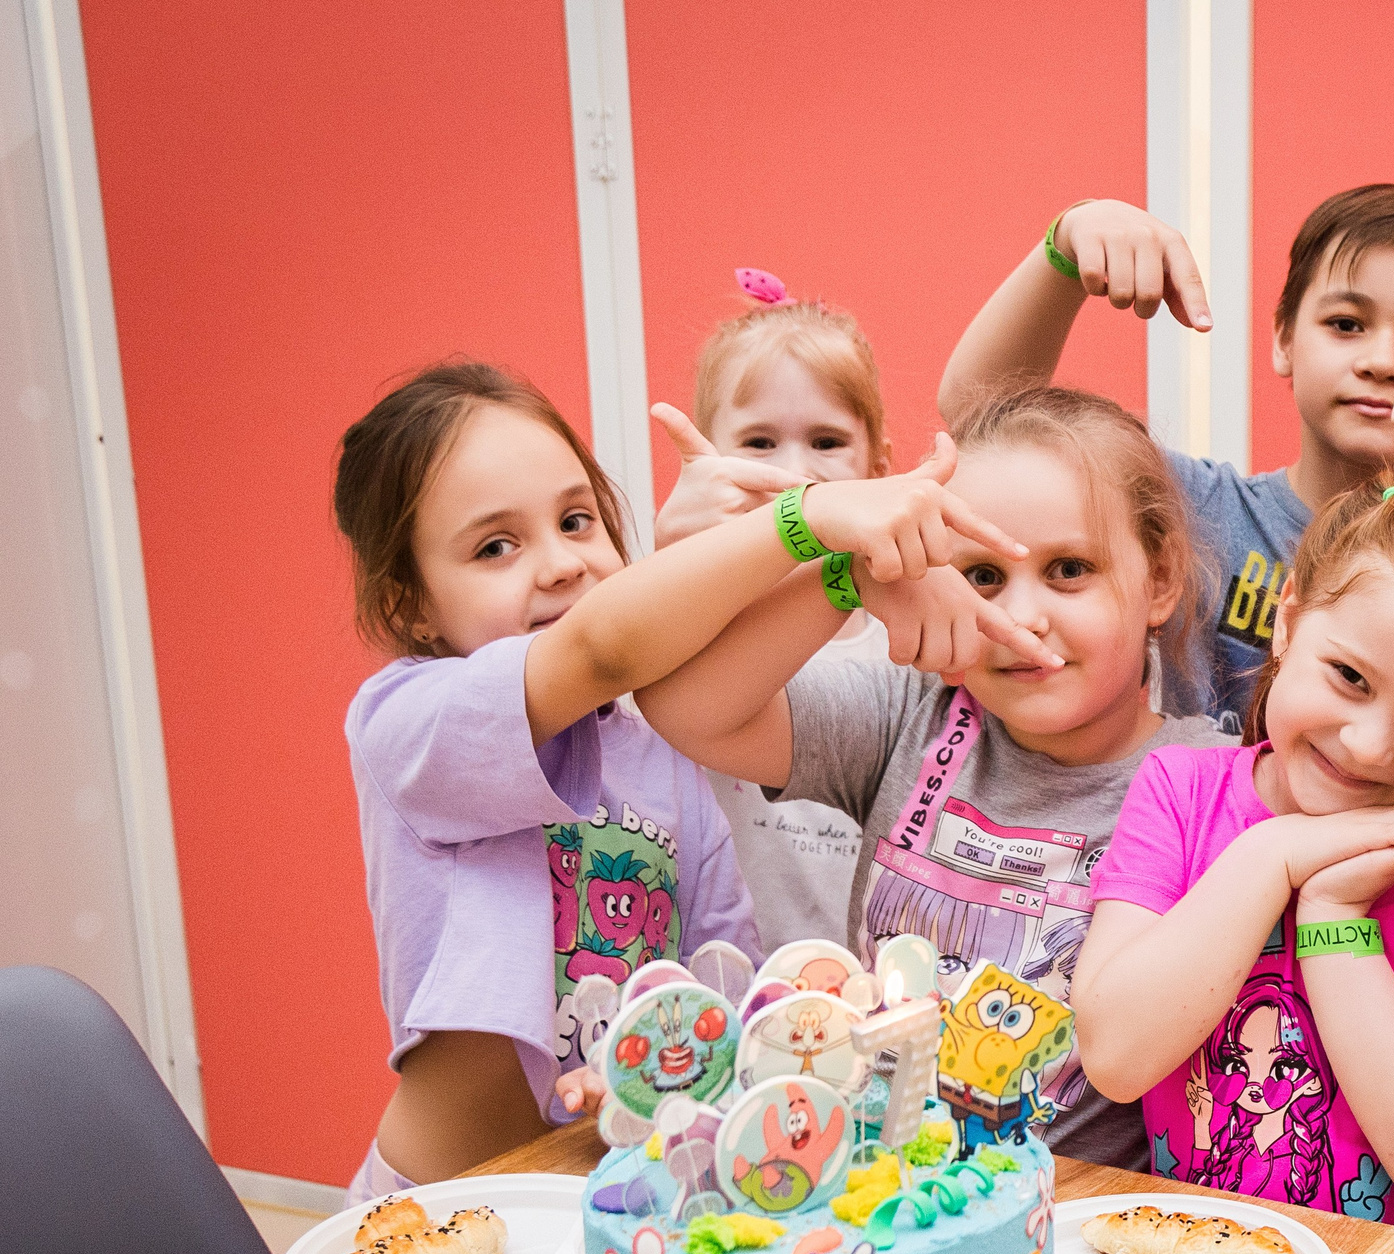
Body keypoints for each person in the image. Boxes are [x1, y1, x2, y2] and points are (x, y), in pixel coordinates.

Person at [338, 362, 1037, 1196]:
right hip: (440, 1197)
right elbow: (602, 648)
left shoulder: (663, 751)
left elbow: (721, 981)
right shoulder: (408, 721)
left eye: (577, 519)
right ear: (409, 605)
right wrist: (811, 518)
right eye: (496, 546)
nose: (561, 564)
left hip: (609, 1190)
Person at [632, 387, 1230, 1169]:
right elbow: (685, 705)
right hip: (872, 1200)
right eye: (981, 575)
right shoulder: (910, 711)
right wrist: (845, 574)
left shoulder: (1210, 786)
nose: (1023, 616)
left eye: (1069, 570)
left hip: (1072, 1235)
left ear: (1160, 581)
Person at [1075, 477, 1394, 1226]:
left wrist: (1334, 912)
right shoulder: (1182, 790)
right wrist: (1273, 854)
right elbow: (1115, 1054)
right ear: (1289, 619)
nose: (1368, 743)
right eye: (1350, 677)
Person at [938, 184, 1394, 730]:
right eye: (1346, 324)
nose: (1382, 361)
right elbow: (979, 415)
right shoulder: (1197, 508)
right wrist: (1063, 251)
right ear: (1284, 339)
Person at [648, 272, 904, 951]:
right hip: (717, 1005)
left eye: (826, 442)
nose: (796, 473)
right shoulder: (693, 620)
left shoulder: (902, 641)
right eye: (759, 443)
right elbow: (628, 655)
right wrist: (673, 556)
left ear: (880, 469)